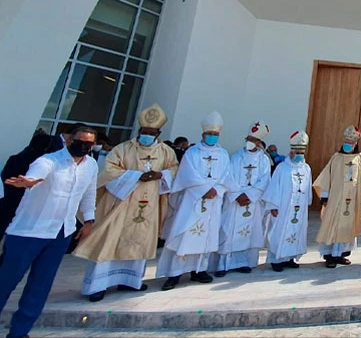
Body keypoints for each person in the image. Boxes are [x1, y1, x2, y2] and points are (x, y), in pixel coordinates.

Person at [0, 125, 98, 338]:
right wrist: (28, 182)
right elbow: (36, 176)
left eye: (89, 144)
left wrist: (89, 220)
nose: (84, 146)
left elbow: (89, 193)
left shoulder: (91, 165)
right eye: (80, 142)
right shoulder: (49, 160)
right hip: (28, 232)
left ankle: (19, 332)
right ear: (69, 140)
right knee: (5, 282)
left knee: (39, 287)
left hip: (60, 234)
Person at [75, 104, 179, 302]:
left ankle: (130, 281)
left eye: (151, 132)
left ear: (159, 132)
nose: (147, 134)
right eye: (144, 132)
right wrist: (135, 176)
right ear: (139, 131)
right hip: (121, 203)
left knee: (139, 241)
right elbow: (108, 171)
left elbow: (174, 170)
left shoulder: (166, 152)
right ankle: (99, 285)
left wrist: (160, 174)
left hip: (149, 203)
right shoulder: (123, 149)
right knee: (110, 240)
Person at [157, 111, 236, 291]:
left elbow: (227, 176)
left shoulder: (223, 154)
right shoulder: (192, 152)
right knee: (185, 233)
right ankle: (175, 273)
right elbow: (187, 174)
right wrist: (204, 189)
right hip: (193, 199)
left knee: (206, 235)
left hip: (213, 200)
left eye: (215, 135)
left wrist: (217, 189)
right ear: (203, 135)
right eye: (210, 134)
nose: (212, 137)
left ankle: (199, 269)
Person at [212, 121, 272, 277]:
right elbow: (228, 177)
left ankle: (244, 262)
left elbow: (265, 180)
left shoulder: (264, 160)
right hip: (236, 200)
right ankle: (224, 264)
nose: (250, 142)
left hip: (252, 201)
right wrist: (237, 195)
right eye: (248, 138)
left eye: (253, 140)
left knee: (249, 232)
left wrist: (251, 195)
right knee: (228, 231)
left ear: (259, 143)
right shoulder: (236, 157)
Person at [313, 126, 361, 269]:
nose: (349, 144)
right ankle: (330, 256)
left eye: (352, 142)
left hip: (351, 200)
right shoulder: (336, 157)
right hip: (335, 199)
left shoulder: (360, 158)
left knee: (346, 226)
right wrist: (324, 196)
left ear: (356, 143)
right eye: (347, 141)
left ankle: (341, 254)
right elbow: (327, 176)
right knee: (333, 225)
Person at [262, 130, 312, 272]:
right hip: (283, 207)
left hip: (299, 207)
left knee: (296, 230)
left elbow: (307, 187)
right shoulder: (282, 168)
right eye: (297, 152)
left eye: (302, 152)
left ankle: (290, 257)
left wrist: (307, 203)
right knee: (279, 230)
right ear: (291, 152)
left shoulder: (306, 168)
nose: (299, 155)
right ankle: (276, 259)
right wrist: (273, 205)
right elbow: (274, 187)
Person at [0, 130, 62, 243]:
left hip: (10, 199)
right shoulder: (46, 163)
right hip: (29, 204)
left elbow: (5, 178)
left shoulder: (16, 158)